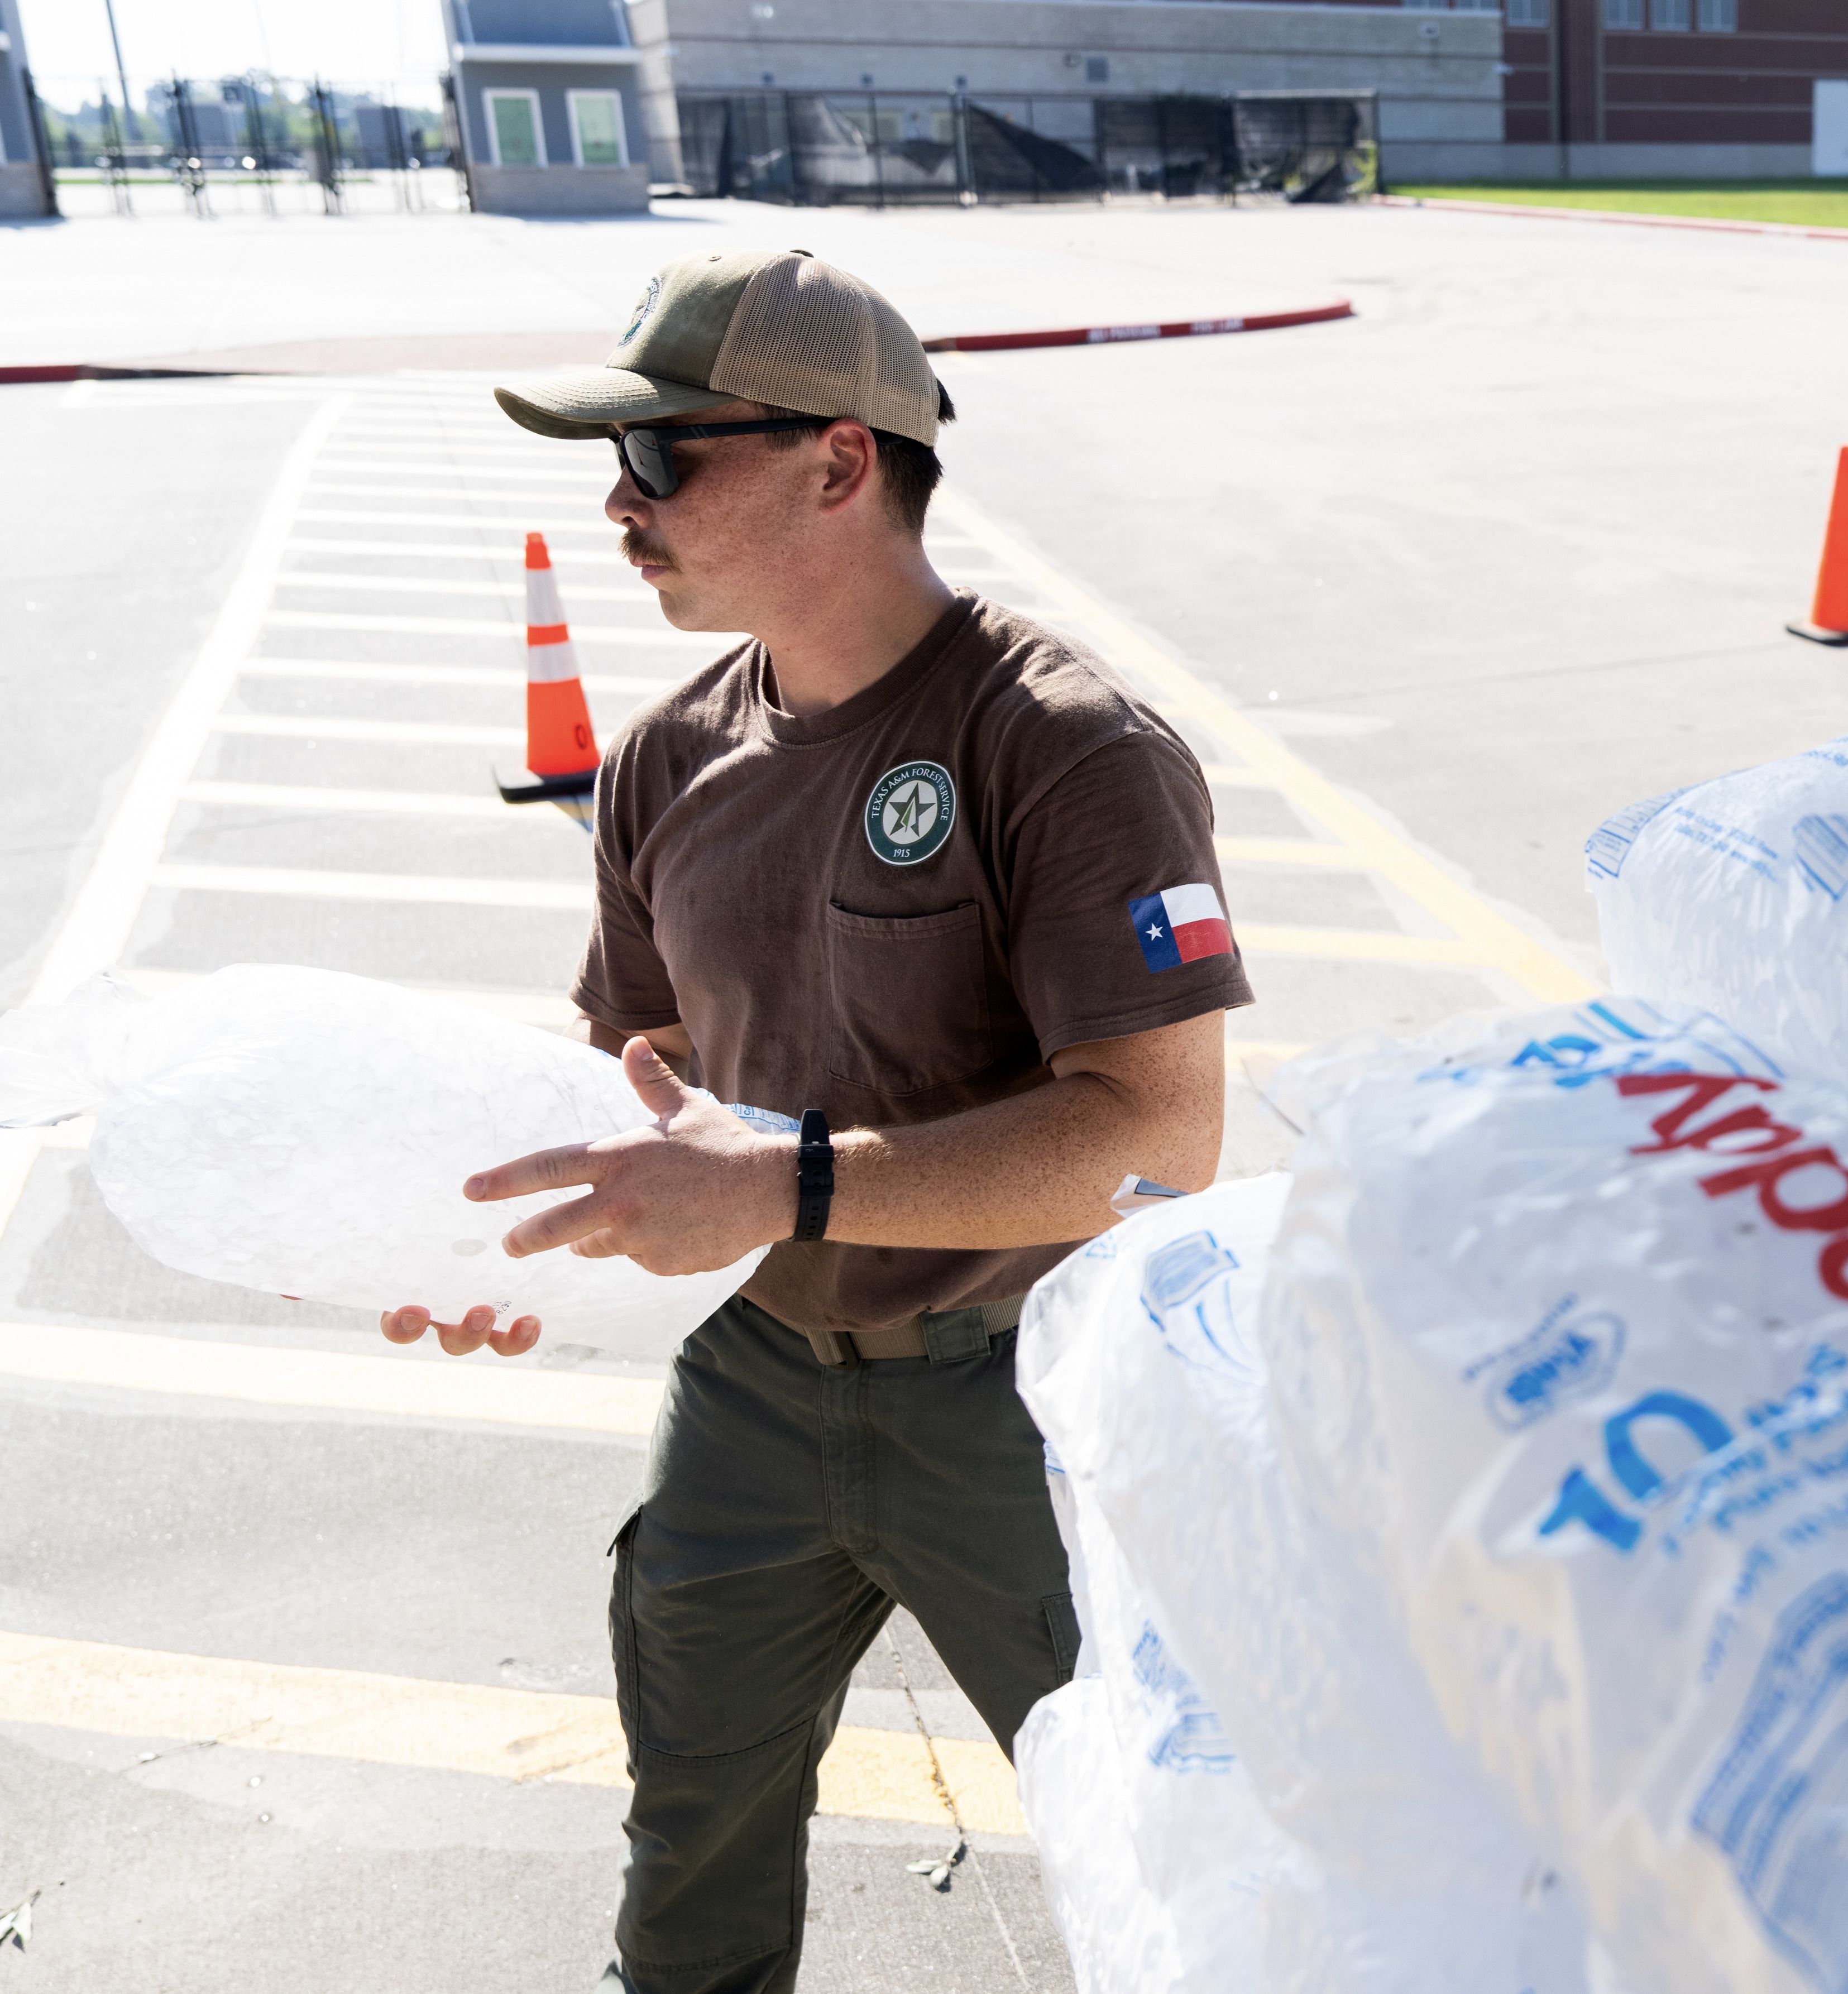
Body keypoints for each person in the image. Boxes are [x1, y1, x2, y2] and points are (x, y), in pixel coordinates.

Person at [375, 248, 1251, 1993]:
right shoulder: (660, 759)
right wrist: (517, 1263)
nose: (620, 506)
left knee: (1167, 1851)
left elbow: (1158, 1134)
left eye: (661, 460)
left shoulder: (1065, 748)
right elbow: (624, 1078)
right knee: (690, 1830)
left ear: (839, 460)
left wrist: (783, 1178)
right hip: (754, 1389)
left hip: (1026, 1405)